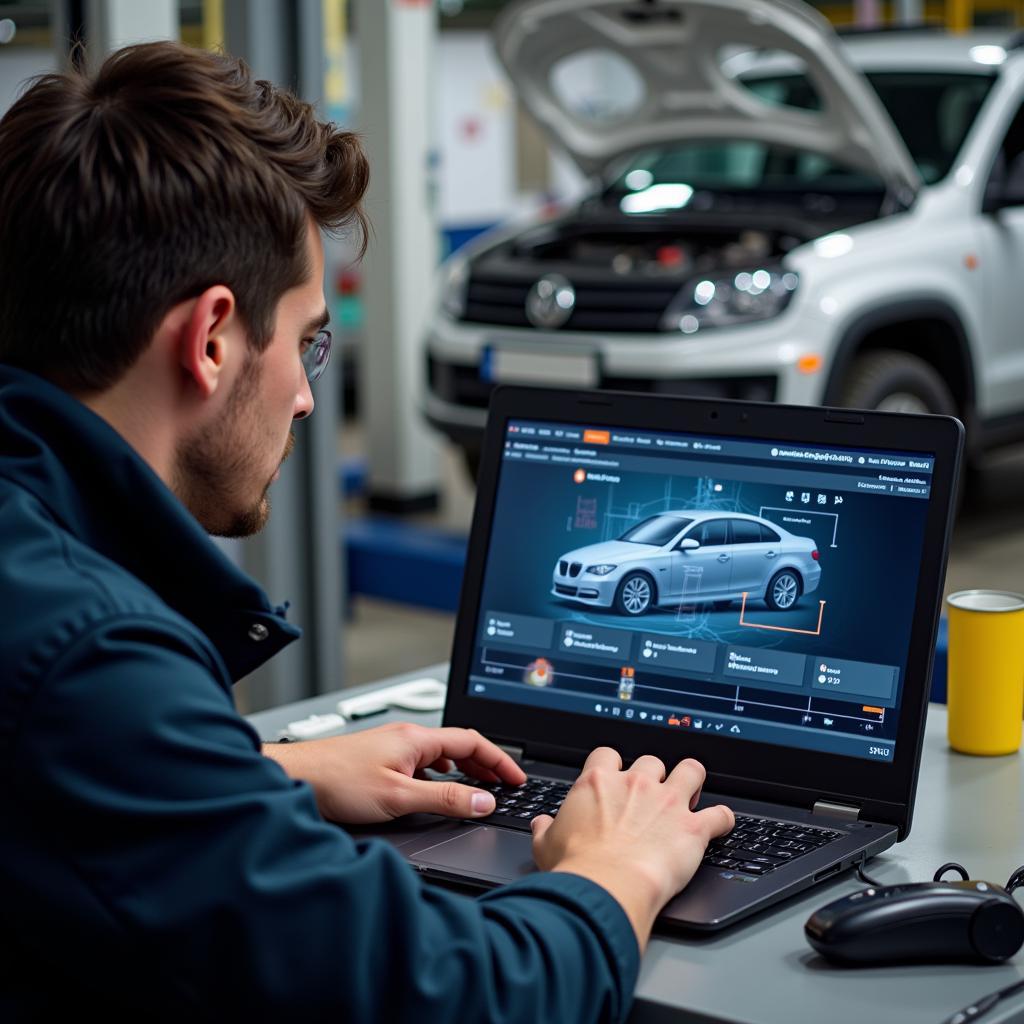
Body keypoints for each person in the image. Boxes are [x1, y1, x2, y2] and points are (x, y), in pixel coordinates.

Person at [0, 41, 734, 1022]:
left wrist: (260, 777)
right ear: (211, 338)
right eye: (306, 338)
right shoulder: (91, 657)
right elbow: (461, 996)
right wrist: (613, 871)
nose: (306, 397)